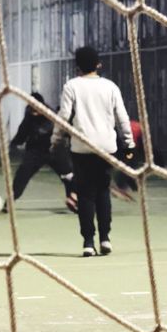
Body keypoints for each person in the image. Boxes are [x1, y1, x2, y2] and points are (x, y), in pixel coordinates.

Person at [51, 46, 133, 257]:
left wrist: (56, 140)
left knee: (85, 195)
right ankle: (105, 238)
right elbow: (122, 118)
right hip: (107, 147)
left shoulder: (72, 86)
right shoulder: (110, 87)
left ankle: (89, 242)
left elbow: (64, 115)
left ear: (76, 66)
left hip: (82, 148)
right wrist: (129, 143)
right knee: (103, 191)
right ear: (98, 64)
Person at [10, 91, 77, 211]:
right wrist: (14, 143)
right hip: (35, 150)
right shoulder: (29, 114)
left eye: (36, 108)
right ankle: (11, 199)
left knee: (68, 176)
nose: (34, 111)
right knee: (23, 173)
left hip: (55, 149)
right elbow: (23, 131)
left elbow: (65, 131)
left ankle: (73, 198)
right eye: (31, 108)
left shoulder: (52, 115)